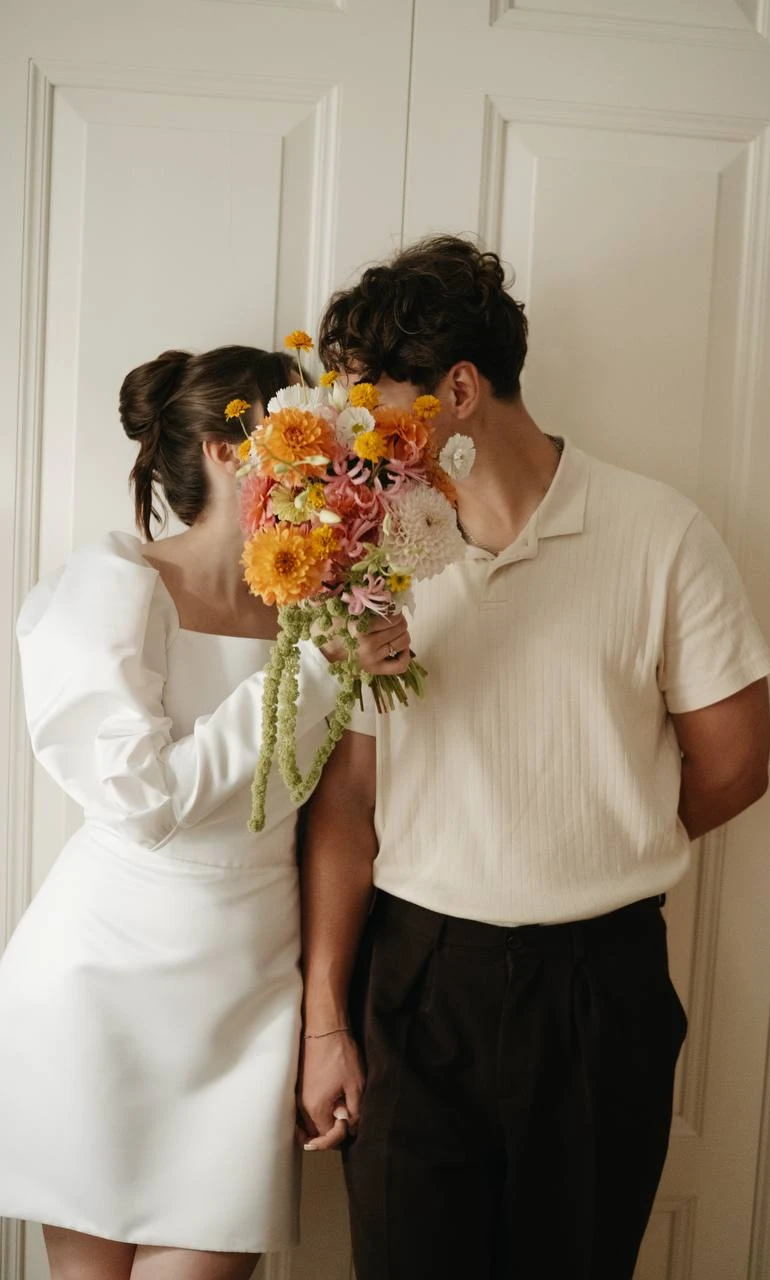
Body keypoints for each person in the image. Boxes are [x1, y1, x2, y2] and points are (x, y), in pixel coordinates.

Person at [298, 236, 770, 1279]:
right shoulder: (369, 552)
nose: (361, 435)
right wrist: (324, 1021)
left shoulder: (660, 532)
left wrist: (594, 835)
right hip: (414, 981)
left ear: (459, 391)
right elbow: (348, 804)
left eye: (378, 404)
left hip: (598, 992)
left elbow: (736, 764)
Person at [0, 344, 410, 1280]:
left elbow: (344, 813)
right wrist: (315, 673)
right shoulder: (113, 584)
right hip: (99, 986)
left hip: (250, 988)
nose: (328, 459)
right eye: (303, 434)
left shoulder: (330, 602)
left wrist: (324, 1020)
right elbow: (147, 800)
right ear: (228, 452)